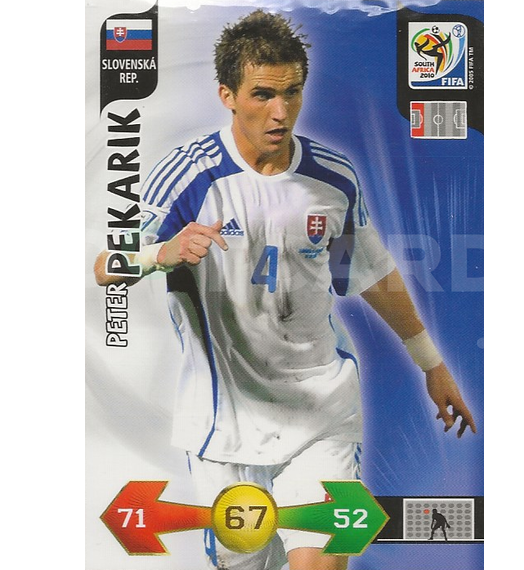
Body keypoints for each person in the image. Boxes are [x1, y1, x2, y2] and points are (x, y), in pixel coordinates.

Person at [94, 9, 476, 570]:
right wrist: (160, 254)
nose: (281, 111)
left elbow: (369, 274)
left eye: (292, 92)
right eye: (263, 95)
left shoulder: (333, 179)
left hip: (321, 412)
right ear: (227, 95)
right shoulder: (185, 177)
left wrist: (431, 363)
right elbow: (107, 266)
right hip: (225, 428)